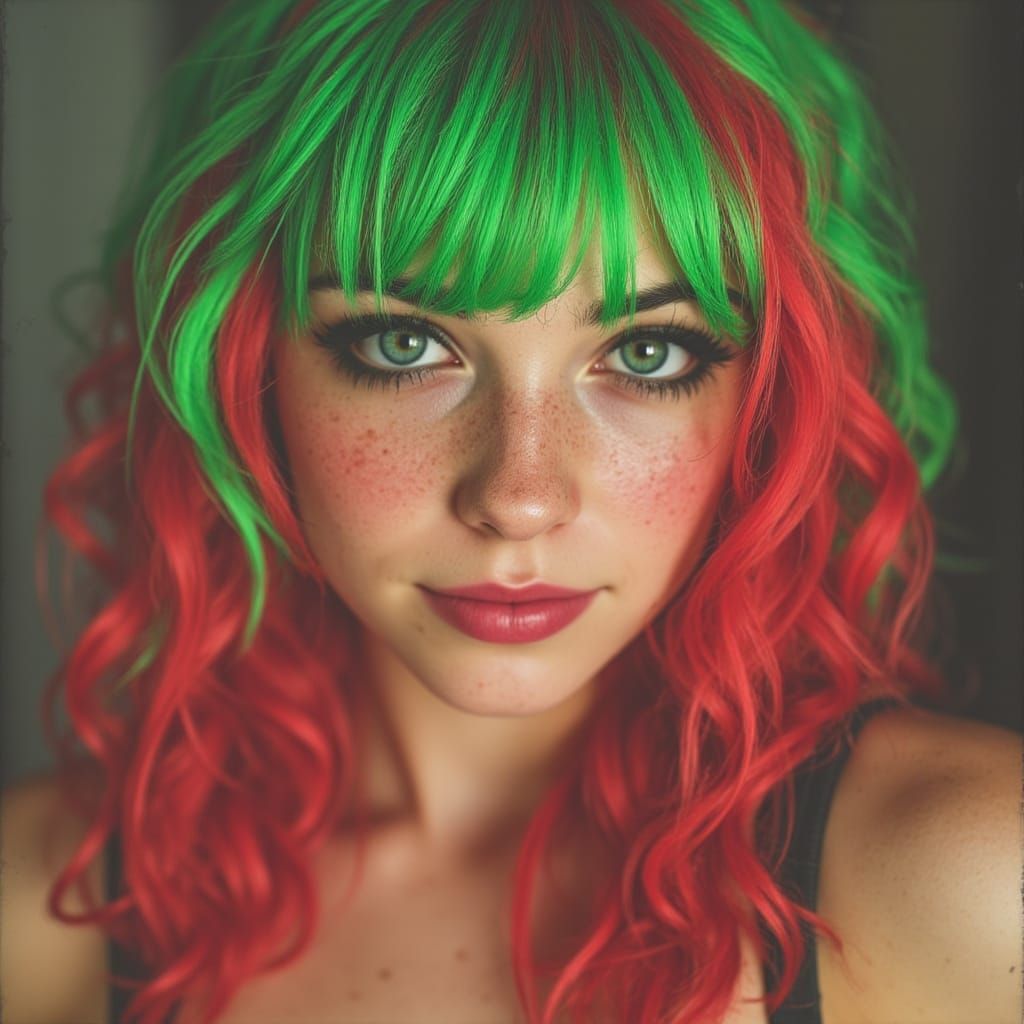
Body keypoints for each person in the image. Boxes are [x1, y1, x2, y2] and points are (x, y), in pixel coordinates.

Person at [2, 0, 1020, 1022]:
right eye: (403, 345)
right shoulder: (48, 913)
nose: (518, 496)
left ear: (767, 396)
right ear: (245, 362)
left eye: (646, 353)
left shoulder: (967, 880)